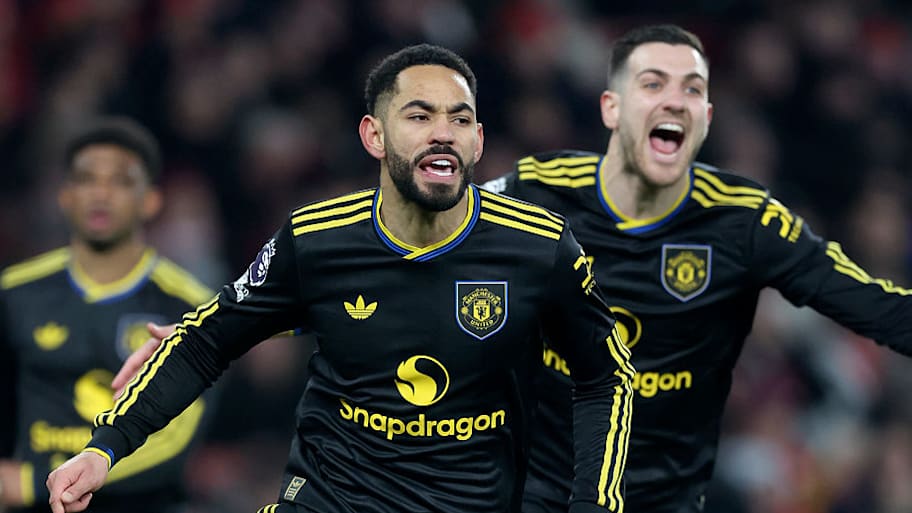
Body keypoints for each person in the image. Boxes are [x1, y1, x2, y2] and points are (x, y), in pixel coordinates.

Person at [45, 44, 635, 513]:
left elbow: (605, 374)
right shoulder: (316, 239)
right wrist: (104, 450)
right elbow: (209, 340)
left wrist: (594, 504)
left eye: (460, 119)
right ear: (373, 135)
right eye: (419, 116)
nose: (443, 132)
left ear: (477, 141)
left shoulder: (538, 246)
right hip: (330, 498)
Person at [481, 24, 912, 513]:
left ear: (705, 117)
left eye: (691, 89)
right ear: (611, 108)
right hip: (537, 491)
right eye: (652, 84)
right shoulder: (536, 191)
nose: (674, 101)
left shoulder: (745, 222)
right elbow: (430, 229)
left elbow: (878, 308)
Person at [0, 117, 215, 512]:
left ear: (151, 200)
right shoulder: (13, 293)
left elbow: (177, 439)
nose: (101, 193)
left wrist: (34, 482)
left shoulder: (190, 306)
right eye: (86, 179)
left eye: (121, 181)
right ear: (65, 196)